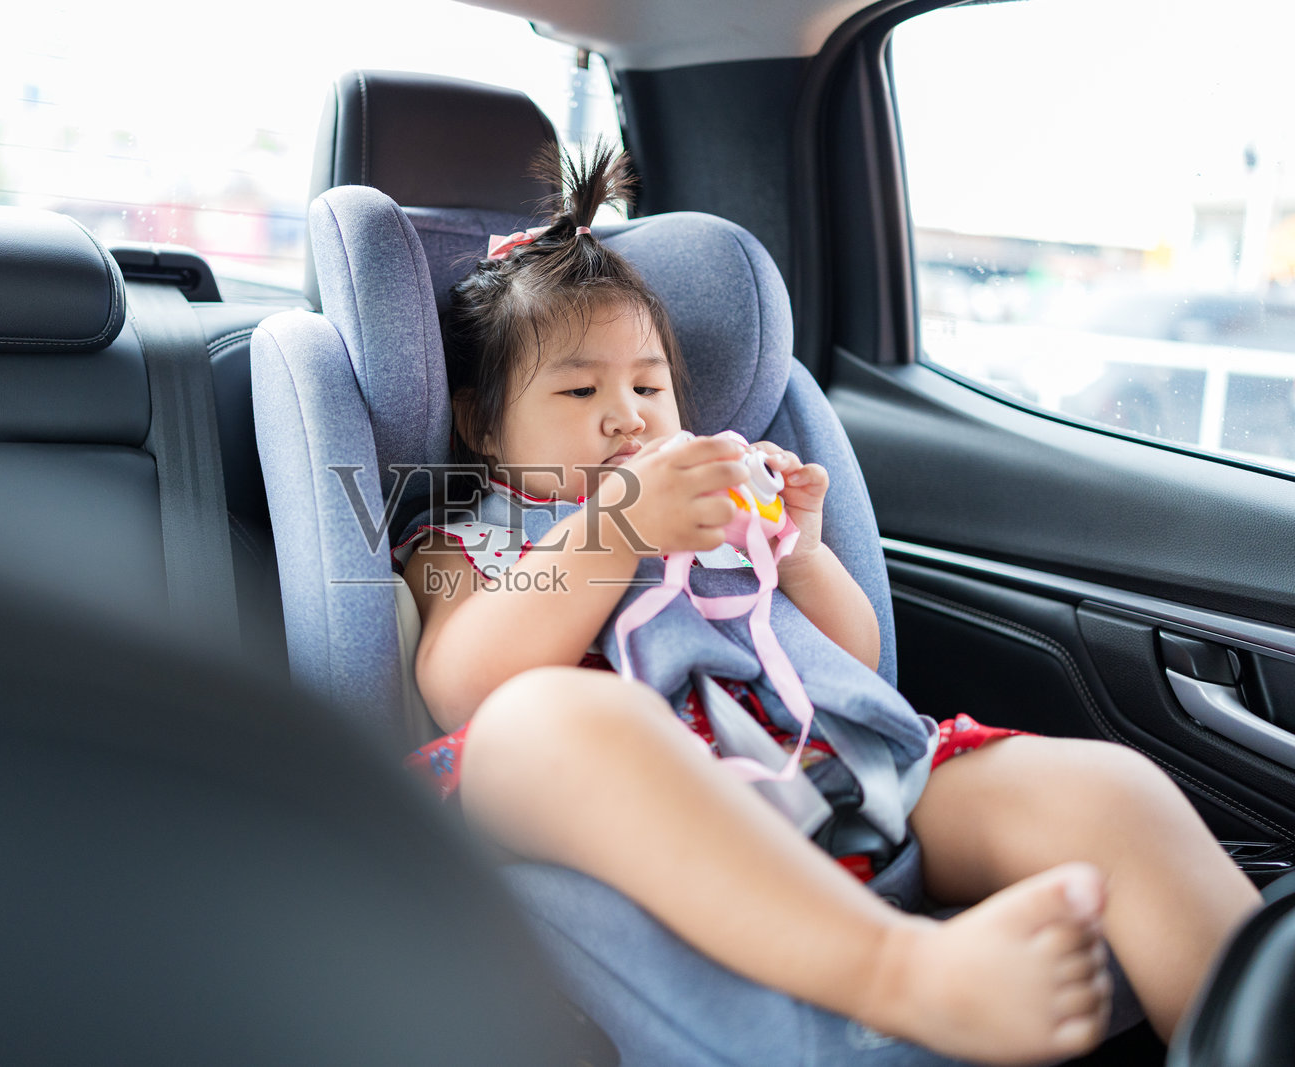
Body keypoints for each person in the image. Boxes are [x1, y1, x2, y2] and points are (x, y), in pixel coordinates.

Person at [396, 143, 1261, 1066]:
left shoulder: (716, 508)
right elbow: (462, 683)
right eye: (580, 388)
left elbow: (853, 668)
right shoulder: (470, 533)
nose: (631, 417)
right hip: (618, 802)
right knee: (546, 715)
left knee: (1109, 791)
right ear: (481, 424)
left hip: (821, 765)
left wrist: (799, 555)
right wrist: (617, 528)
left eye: (650, 387)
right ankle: (905, 971)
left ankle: (1252, 1014)